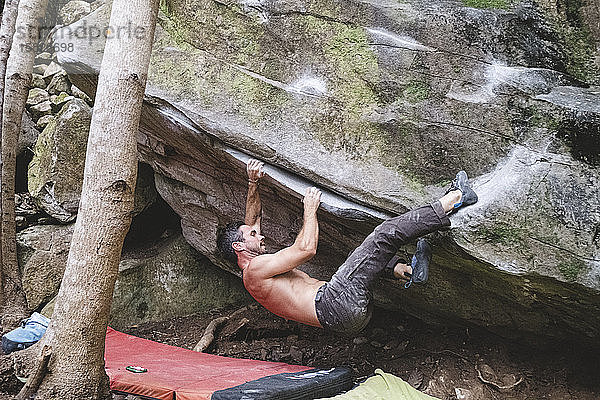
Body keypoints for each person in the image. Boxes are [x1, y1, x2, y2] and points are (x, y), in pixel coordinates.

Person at [217, 160, 478, 335]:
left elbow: (251, 221)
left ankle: (407, 270)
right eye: (253, 235)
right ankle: (455, 198)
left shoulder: (252, 273)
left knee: (360, 255)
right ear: (240, 246)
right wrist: (309, 209)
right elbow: (306, 249)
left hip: (344, 318)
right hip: (335, 302)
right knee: (383, 236)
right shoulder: (255, 269)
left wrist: (253, 183)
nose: (260, 235)